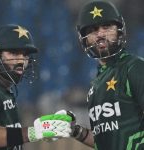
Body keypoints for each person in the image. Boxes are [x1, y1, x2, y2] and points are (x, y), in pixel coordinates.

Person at [61, 1, 144, 150]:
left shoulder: (134, 67)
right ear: (84, 38)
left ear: (119, 30)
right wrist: (75, 131)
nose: (100, 34)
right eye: (93, 30)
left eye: (106, 27)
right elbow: (106, 140)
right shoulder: (96, 83)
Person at [0, 24, 72, 150]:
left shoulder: (5, 91)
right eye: (13, 53)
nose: (21, 60)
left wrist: (46, 128)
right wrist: (35, 132)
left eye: (25, 55)